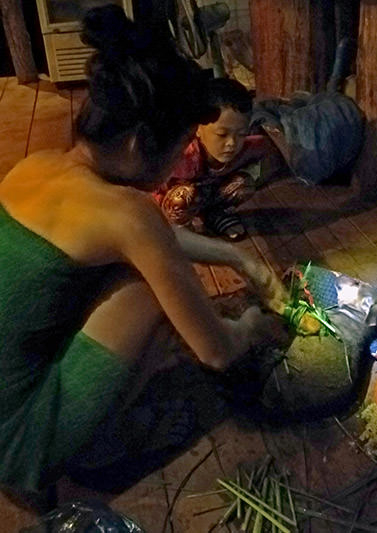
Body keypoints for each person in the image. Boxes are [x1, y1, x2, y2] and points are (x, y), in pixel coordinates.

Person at [0, 5, 288, 497]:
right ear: (139, 143)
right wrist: (251, 329)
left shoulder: (37, 165)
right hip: (19, 440)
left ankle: (91, 422)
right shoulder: (129, 212)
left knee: (149, 272)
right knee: (152, 291)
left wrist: (238, 257)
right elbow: (216, 352)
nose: (180, 161)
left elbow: (143, 239)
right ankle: (100, 448)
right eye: (178, 150)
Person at [153, 77, 286, 240]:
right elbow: (152, 189)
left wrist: (255, 172)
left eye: (241, 134)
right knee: (183, 196)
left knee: (244, 183)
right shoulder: (180, 157)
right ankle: (182, 233)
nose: (231, 143)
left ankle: (215, 215)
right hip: (174, 205)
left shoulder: (249, 148)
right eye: (222, 134)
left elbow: (268, 150)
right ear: (198, 128)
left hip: (210, 197)